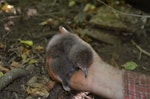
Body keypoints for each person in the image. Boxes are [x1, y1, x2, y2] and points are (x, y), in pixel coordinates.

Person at [46, 27, 150, 99]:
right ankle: (66, 77)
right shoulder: (64, 55)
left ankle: (66, 77)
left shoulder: (79, 54)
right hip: (63, 57)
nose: (85, 71)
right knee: (60, 64)